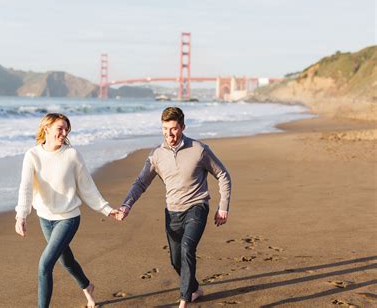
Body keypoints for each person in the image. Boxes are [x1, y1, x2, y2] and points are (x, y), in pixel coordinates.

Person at [116, 107, 232, 308]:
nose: (169, 134)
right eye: (165, 129)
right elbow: (140, 183)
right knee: (176, 260)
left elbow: (222, 175)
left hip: (197, 206)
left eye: (174, 129)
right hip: (172, 212)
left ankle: (184, 300)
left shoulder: (199, 149)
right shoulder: (157, 156)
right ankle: (195, 288)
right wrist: (127, 205)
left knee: (188, 247)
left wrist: (223, 206)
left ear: (183, 127)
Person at [14, 113, 119, 308]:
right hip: (45, 218)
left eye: (66, 129)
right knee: (66, 261)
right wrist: (21, 215)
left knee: (45, 265)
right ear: (46, 129)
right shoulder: (32, 155)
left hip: (68, 218)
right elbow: (26, 187)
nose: (64, 133)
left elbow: (86, 186)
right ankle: (87, 286)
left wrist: (106, 209)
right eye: (60, 129)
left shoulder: (71, 154)